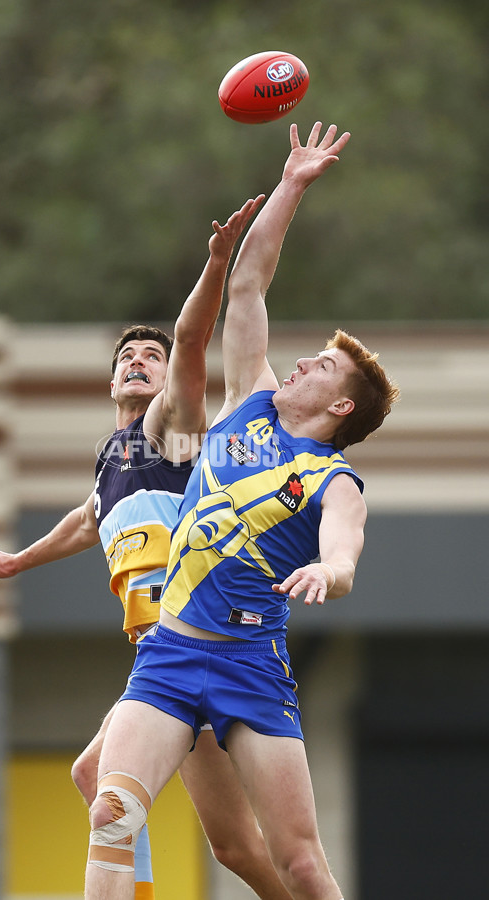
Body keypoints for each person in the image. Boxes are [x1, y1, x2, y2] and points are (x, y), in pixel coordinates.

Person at [0, 194, 302, 900]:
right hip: (159, 655)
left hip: (195, 647)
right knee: (97, 782)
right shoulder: (113, 459)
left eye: (151, 356)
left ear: (167, 380)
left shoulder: (172, 428)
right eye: (128, 356)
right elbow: (86, 519)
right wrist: (17, 560)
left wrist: (214, 265)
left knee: (235, 847)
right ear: (112, 381)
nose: (139, 361)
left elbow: (193, 341)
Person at [83, 121, 401, 900]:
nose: (300, 362)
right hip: (168, 656)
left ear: (343, 403)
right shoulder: (246, 405)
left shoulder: (335, 480)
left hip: (250, 668)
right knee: (113, 814)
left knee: (296, 864)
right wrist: (290, 186)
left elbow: (342, 546)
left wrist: (333, 569)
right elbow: (249, 287)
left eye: (320, 365)